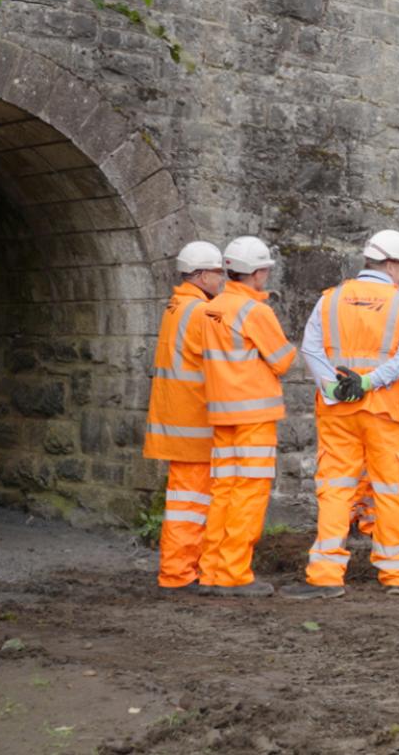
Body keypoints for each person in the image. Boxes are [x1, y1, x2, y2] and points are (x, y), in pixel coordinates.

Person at [284, 230, 399, 600]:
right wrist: (367, 382)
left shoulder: (329, 300)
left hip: (338, 412)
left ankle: (327, 573)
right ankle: (394, 575)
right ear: (392, 264)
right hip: (384, 411)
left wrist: (334, 387)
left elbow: (311, 348)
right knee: (390, 490)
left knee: (335, 489)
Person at [196, 236, 295, 597]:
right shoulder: (255, 311)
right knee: (248, 493)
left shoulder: (212, 307)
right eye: (266, 270)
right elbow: (283, 360)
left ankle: (211, 570)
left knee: (223, 490)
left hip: (222, 413)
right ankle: (234, 573)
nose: (267, 276)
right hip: (253, 414)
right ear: (255, 272)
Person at [144, 241, 225, 591]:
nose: (222, 279)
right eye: (218, 272)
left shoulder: (178, 306)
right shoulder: (200, 313)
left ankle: (181, 568)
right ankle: (178, 572)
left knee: (185, 500)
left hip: (178, 418)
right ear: (203, 274)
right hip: (192, 421)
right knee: (189, 503)